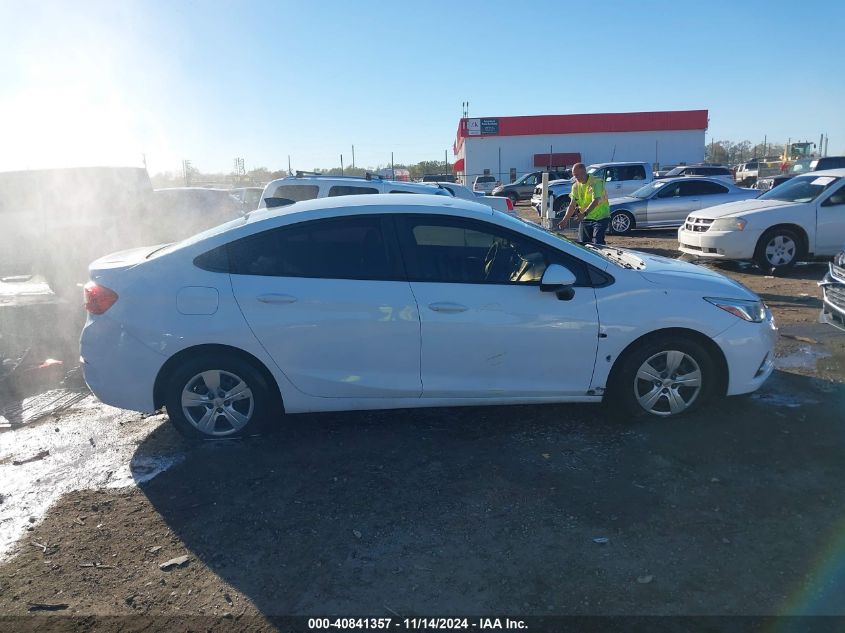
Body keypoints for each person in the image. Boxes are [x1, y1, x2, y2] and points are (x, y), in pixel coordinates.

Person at [557, 163, 610, 245]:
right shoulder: (575, 186)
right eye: (574, 175)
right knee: (582, 244)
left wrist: (584, 213)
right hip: (586, 218)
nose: (575, 177)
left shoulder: (596, 182)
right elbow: (572, 205)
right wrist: (565, 220)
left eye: (577, 175)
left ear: (584, 173)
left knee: (597, 243)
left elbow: (596, 200)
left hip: (601, 218)